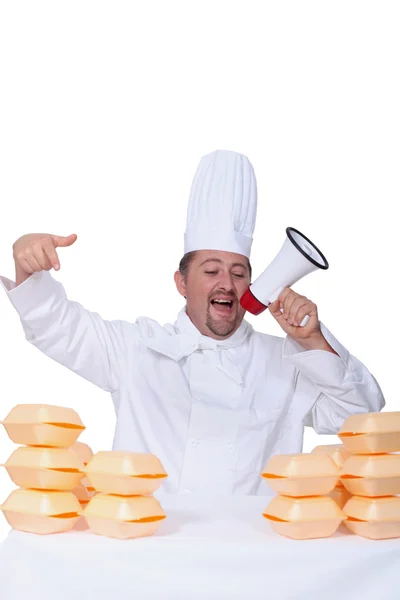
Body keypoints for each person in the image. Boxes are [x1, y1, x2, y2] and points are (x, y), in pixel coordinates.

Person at [0, 150, 385, 495]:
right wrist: (26, 262)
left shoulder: (287, 362)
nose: (226, 283)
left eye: (238, 273)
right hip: (151, 545)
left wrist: (313, 339)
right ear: (181, 283)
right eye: (211, 270)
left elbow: (362, 418)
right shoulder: (134, 347)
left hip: (254, 557)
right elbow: (56, 326)